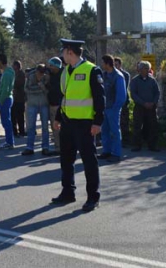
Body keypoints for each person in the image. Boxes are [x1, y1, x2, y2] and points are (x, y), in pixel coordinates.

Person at [52, 39, 105, 212]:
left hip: (85, 124)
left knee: (89, 161)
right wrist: (59, 117)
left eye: (63, 51)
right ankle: (68, 192)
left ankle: (92, 197)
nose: (61, 55)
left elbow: (100, 98)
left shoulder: (91, 70)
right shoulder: (65, 71)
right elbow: (65, 97)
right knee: (66, 160)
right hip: (68, 122)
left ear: (70, 52)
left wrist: (98, 122)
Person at [100, 55, 127, 163]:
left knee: (115, 131)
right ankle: (106, 151)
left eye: (102, 62)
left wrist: (115, 109)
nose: (101, 65)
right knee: (104, 131)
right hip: (104, 108)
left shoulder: (118, 76)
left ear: (107, 64)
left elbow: (122, 96)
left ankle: (116, 154)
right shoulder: (104, 75)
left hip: (113, 108)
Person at [129, 60, 161, 152]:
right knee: (137, 126)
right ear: (140, 69)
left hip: (151, 107)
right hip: (139, 107)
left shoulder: (152, 80)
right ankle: (137, 145)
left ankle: (152, 145)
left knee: (152, 126)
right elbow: (133, 94)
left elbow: (157, 92)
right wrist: (144, 103)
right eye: (144, 68)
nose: (146, 70)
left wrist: (153, 102)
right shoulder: (135, 80)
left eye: (148, 68)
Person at [22, 64, 51, 156]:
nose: (40, 75)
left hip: (44, 104)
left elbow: (47, 91)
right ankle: (29, 147)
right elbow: (26, 89)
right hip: (32, 103)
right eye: (39, 73)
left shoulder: (47, 77)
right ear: (36, 71)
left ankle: (45, 147)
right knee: (31, 127)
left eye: (42, 74)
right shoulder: (30, 76)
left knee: (45, 127)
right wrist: (40, 88)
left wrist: (42, 87)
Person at [0, 53, 15, 150]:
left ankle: (9, 142)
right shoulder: (8, 72)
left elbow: (6, 89)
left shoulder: (7, 73)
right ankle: (9, 141)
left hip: (5, 99)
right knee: (7, 121)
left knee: (6, 121)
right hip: (7, 98)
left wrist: (1, 100)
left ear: (1, 62)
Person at [45, 57, 64, 155]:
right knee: (54, 128)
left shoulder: (62, 75)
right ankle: (58, 147)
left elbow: (56, 89)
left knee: (60, 128)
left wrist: (47, 85)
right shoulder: (52, 74)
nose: (50, 67)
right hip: (52, 103)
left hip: (59, 104)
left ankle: (62, 148)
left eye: (52, 65)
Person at [113, 57, 132, 146]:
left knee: (124, 122)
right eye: (114, 64)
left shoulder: (125, 74)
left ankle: (125, 140)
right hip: (113, 101)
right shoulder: (110, 74)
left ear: (120, 65)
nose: (115, 66)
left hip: (123, 101)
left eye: (116, 64)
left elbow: (123, 87)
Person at [11, 60, 26, 137]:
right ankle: (14, 132)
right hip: (14, 98)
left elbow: (18, 84)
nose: (12, 67)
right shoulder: (14, 74)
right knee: (13, 117)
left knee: (20, 116)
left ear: (17, 66)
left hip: (19, 98)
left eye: (13, 65)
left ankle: (22, 131)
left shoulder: (21, 74)